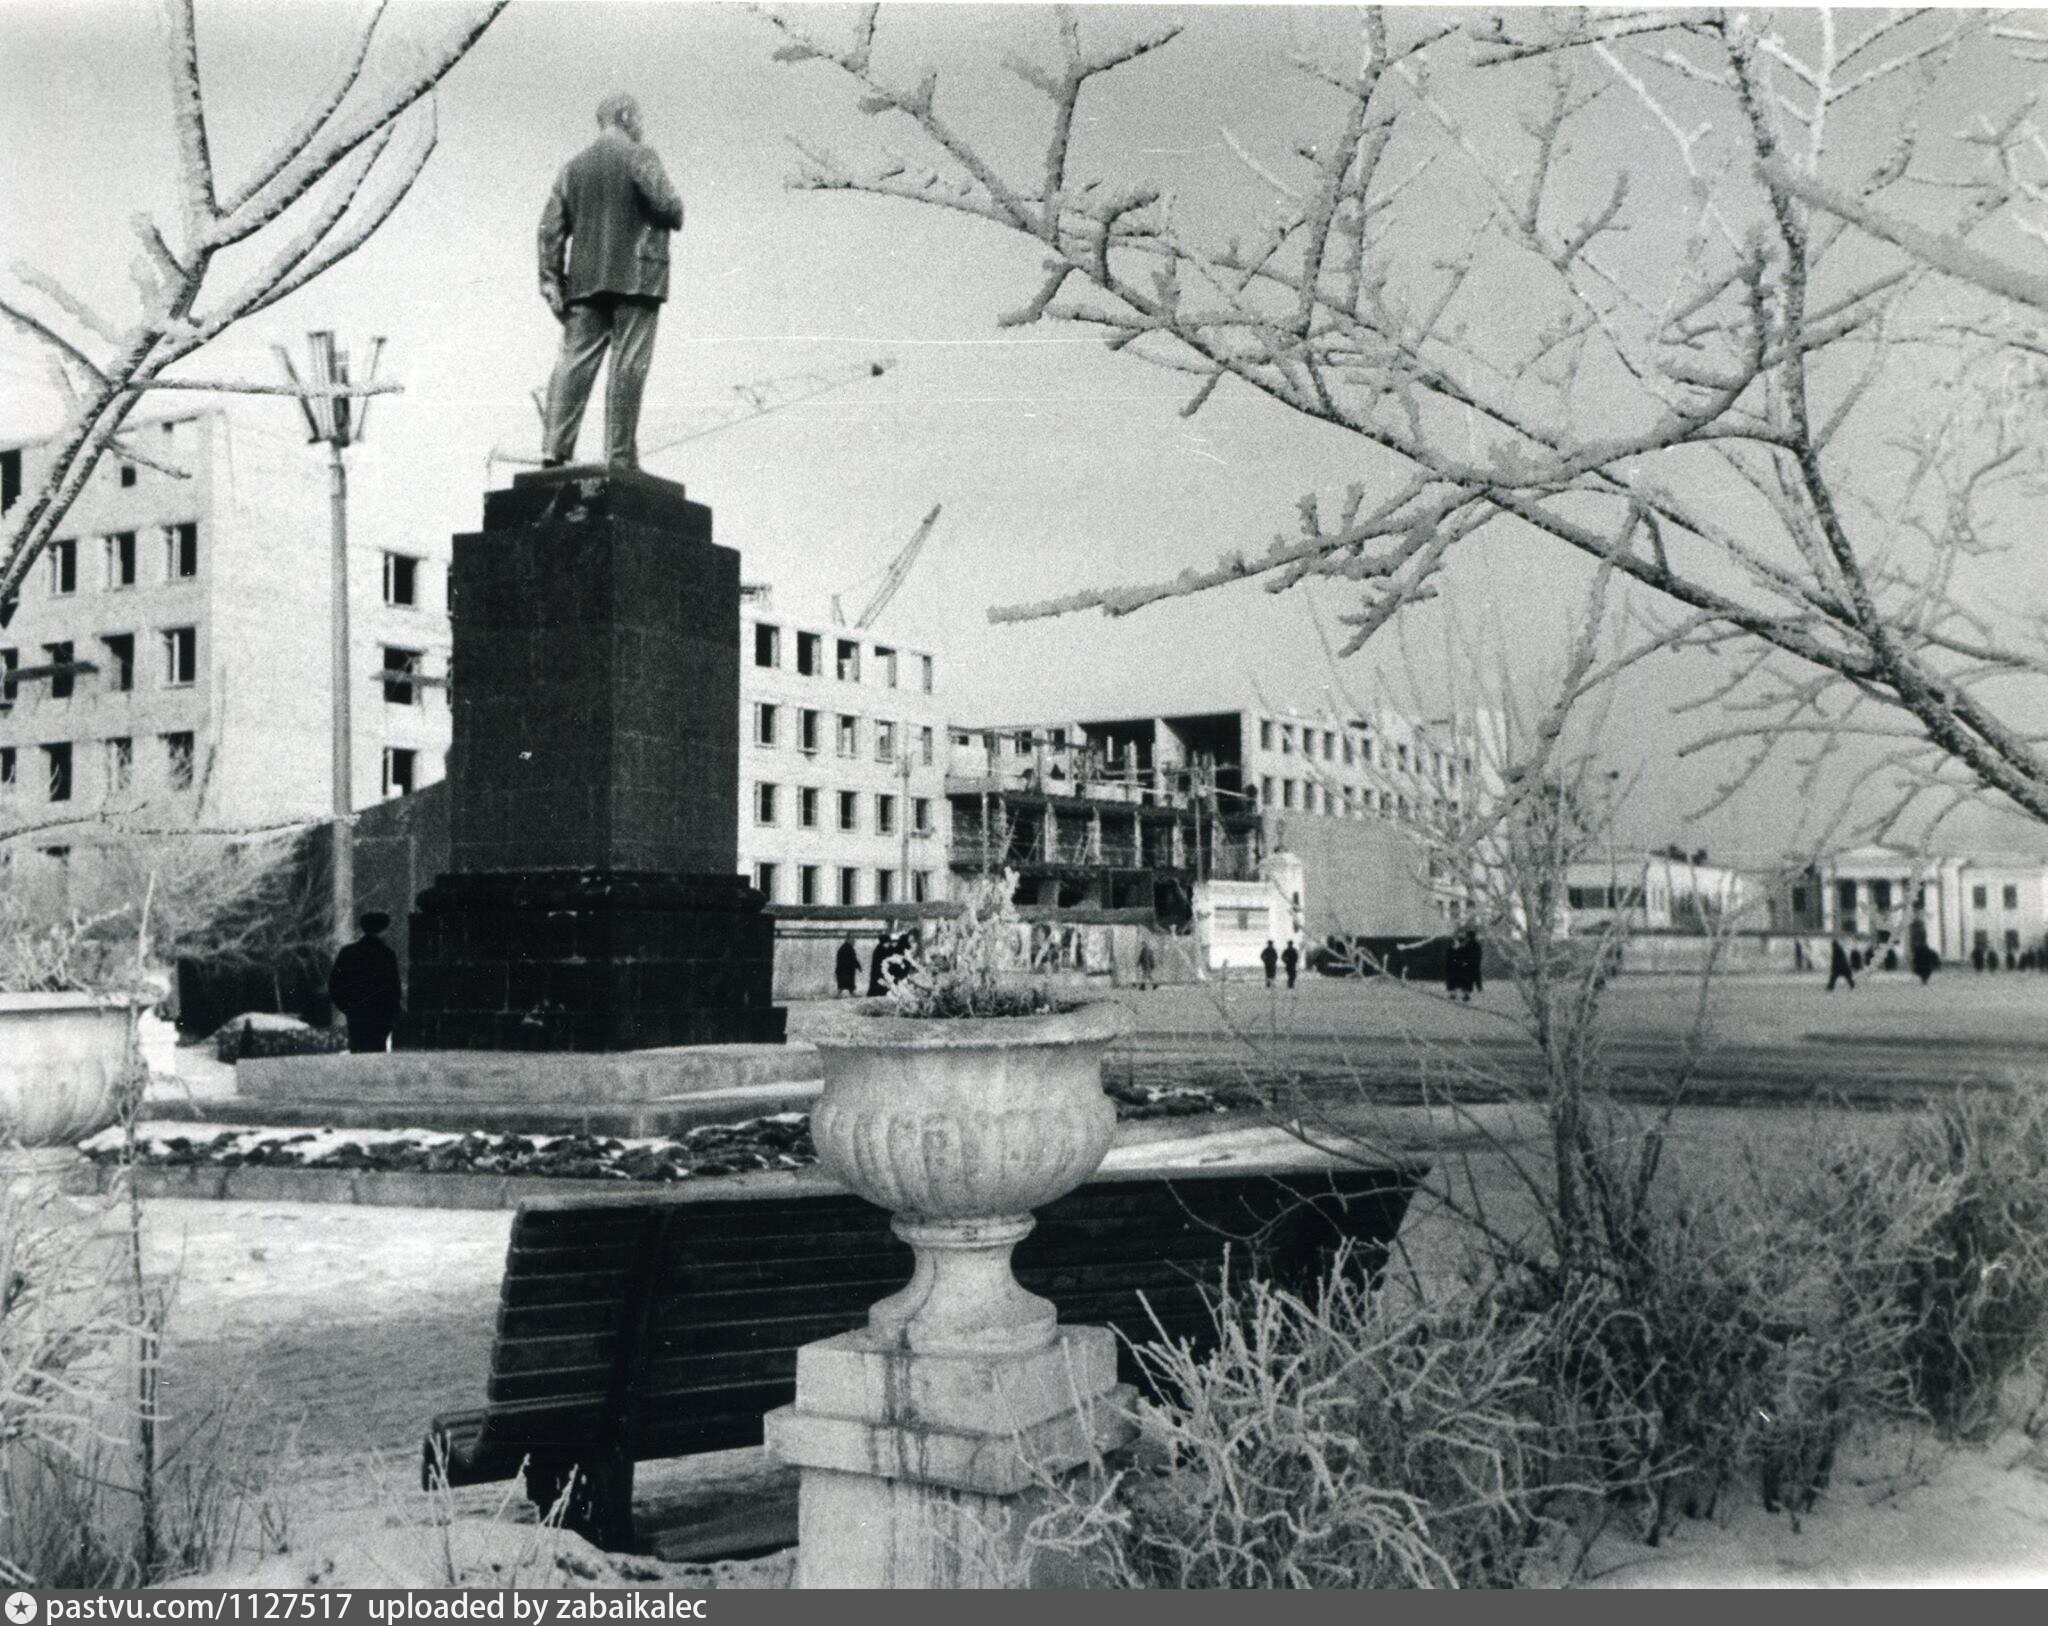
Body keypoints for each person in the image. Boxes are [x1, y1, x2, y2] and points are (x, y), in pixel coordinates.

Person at [537, 93, 684, 468]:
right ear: (625, 116)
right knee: (628, 366)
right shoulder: (640, 155)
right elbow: (667, 204)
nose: (641, 124)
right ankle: (619, 456)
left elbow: (550, 229)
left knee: (573, 364)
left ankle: (554, 449)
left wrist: (552, 279)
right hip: (637, 277)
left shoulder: (572, 168)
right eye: (638, 117)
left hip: (584, 282)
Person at [329, 911, 402, 1054]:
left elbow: (335, 984)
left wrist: (347, 1007)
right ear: (382, 930)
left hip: (356, 1014)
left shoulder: (347, 952)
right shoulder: (387, 954)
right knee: (377, 1051)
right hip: (380, 1016)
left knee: (358, 1050)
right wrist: (392, 1012)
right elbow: (394, 988)